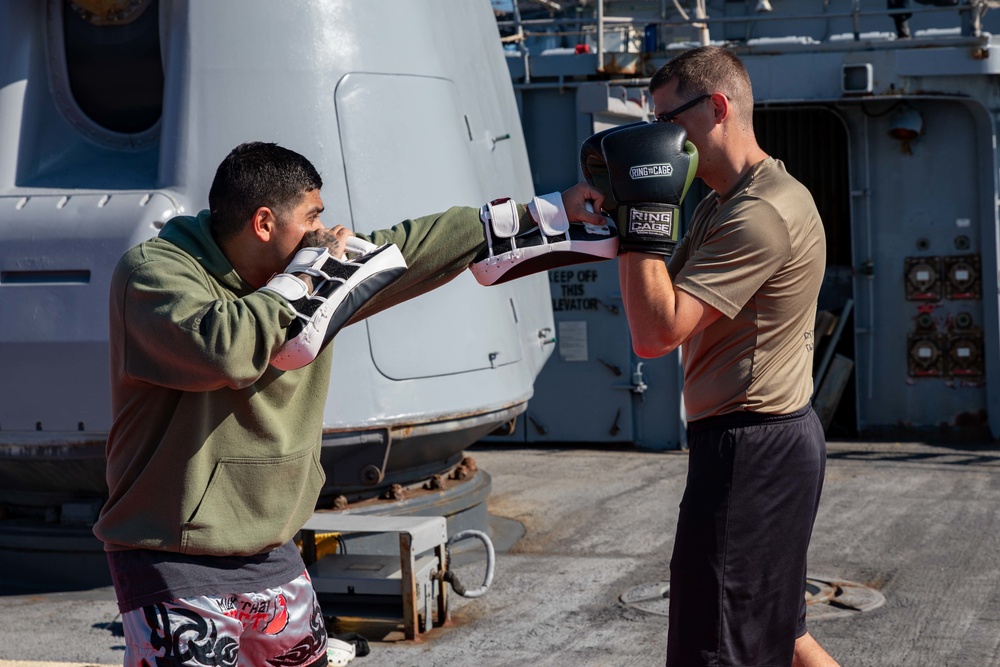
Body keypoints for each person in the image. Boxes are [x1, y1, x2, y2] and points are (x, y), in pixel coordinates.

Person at [93, 141, 611, 666]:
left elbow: (408, 250)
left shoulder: (307, 271)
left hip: (271, 545)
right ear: (265, 223)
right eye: (313, 217)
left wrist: (539, 212)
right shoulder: (155, 273)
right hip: (172, 551)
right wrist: (311, 275)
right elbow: (223, 352)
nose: (324, 230)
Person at [567, 46, 839, 666]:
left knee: (715, 649)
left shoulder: (759, 214)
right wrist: (615, 213)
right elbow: (662, 295)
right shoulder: (726, 201)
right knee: (781, 636)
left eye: (669, 121)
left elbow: (657, 334)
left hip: (751, 449)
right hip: (763, 440)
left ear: (716, 108)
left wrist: (643, 218)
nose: (659, 138)